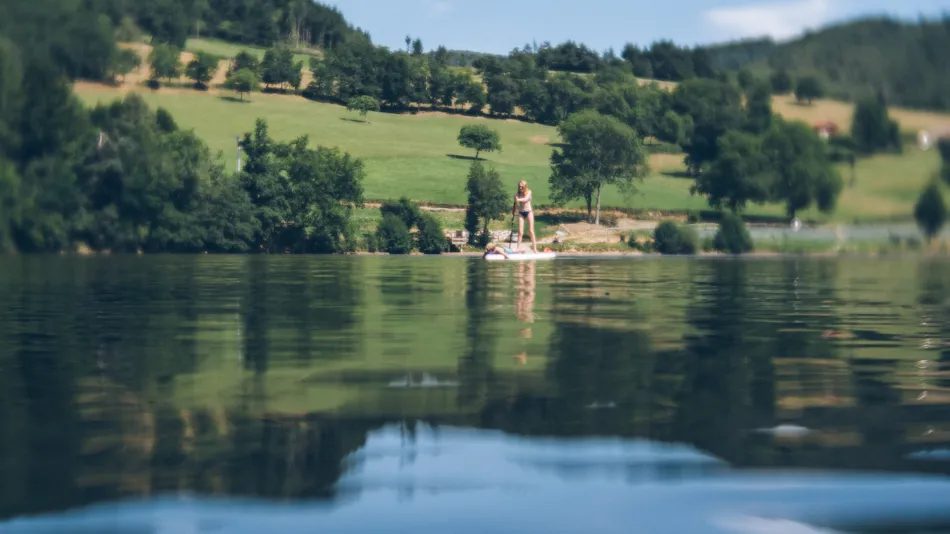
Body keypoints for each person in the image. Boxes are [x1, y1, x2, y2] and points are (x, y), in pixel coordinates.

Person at [514, 180, 538, 253]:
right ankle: (518, 248)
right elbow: (515, 203)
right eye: (519, 186)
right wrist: (514, 211)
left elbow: (525, 199)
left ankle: (535, 249)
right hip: (521, 212)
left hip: (529, 212)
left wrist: (518, 199)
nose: (520, 187)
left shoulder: (529, 192)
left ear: (525, 186)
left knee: (531, 231)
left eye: (522, 186)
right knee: (520, 232)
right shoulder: (517, 194)